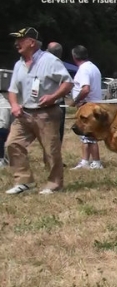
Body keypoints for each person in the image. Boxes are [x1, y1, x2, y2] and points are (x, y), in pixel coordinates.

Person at [5, 27, 73, 195]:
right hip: (24, 113)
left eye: (20, 40)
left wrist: (53, 96)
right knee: (13, 144)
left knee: (50, 150)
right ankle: (23, 181)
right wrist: (14, 105)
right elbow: (12, 90)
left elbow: (67, 83)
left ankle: (55, 184)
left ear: (31, 42)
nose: (16, 44)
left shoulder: (50, 60)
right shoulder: (18, 64)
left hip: (47, 113)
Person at [70, 45, 104, 170]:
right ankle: (86, 160)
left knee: (89, 135)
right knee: (87, 136)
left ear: (74, 57)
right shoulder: (93, 67)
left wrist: (76, 100)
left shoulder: (83, 69)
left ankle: (95, 161)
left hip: (87, 105)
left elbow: (85, 89)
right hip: (93, 104)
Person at [46, 42, 68, 143]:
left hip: (53, 102)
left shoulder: (55, 64)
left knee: (54, 133)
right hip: (55, 102)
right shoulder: (60, 65)